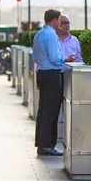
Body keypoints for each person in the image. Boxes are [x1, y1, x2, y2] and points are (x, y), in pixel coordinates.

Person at [32, 10, 75, 156]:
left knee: (43, 109)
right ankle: (47, 145)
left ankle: (42, 143)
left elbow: (36, 56)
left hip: (42, 73)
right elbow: (55, 58)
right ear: (55, 20)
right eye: (59, 19)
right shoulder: (51, 35)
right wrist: (65, 59)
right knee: (51, 111)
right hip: (51, 74)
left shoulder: (39, 34)